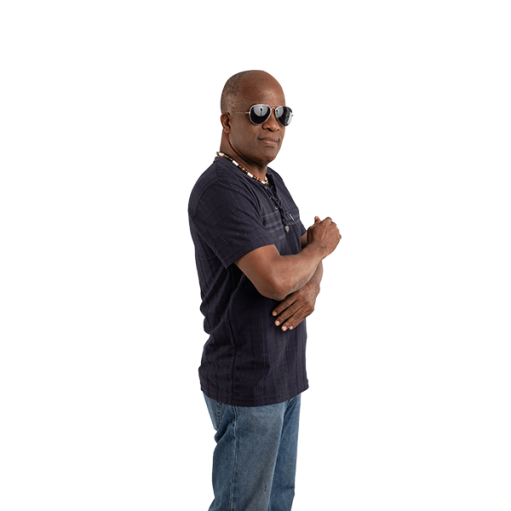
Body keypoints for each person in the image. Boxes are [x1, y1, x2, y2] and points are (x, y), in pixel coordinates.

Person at [188, 70, 341, 511]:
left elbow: (300, 256)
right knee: (245, 506)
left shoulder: (272, 182)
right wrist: (321, 251)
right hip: (248, 383)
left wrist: (312, 288)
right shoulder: (220, 190)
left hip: (285, 375)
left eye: (281, 114)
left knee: (278, 501)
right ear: (227, 121)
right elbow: (274, 278)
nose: (273, 124)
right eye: (258, 113)